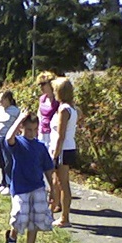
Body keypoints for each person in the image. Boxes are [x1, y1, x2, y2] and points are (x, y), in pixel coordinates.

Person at [3, 111, 55, 243]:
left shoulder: (40, 147)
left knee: (35, 220)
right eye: (28, 130)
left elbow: (48, 169)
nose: (32, 133)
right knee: (20, 217)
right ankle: (12, 237)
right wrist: (19, 119)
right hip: (20, 188)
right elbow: (8, 138)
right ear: (21, 129)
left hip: (37, 187)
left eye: (34, 129)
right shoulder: (17, 144)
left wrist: (53, 188)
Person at [49, 77, 79, 228]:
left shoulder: (63, 109)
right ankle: (52, 211)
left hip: (62, 149)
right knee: (57, 182)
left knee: (63, 184)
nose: (53, 92)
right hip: (67, 147)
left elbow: (60, 136)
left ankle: (65, 218)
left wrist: (55, 156)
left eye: (55, 90)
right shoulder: (71, 108)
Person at [0, 90, 20, 195]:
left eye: (2, 100)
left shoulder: (15, 111)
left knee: (8, 162)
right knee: (2, 162)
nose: (0, 103)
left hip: (7, 139)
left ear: (8, 99)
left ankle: (10, 184)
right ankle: (3, 182)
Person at [35, 71, 60, 149]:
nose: (41, 87)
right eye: (40, 85)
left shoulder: (58, 100)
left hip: (52, 133)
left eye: (43, 84)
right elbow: (39, 116)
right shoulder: (42, 99)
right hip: (41, 132)